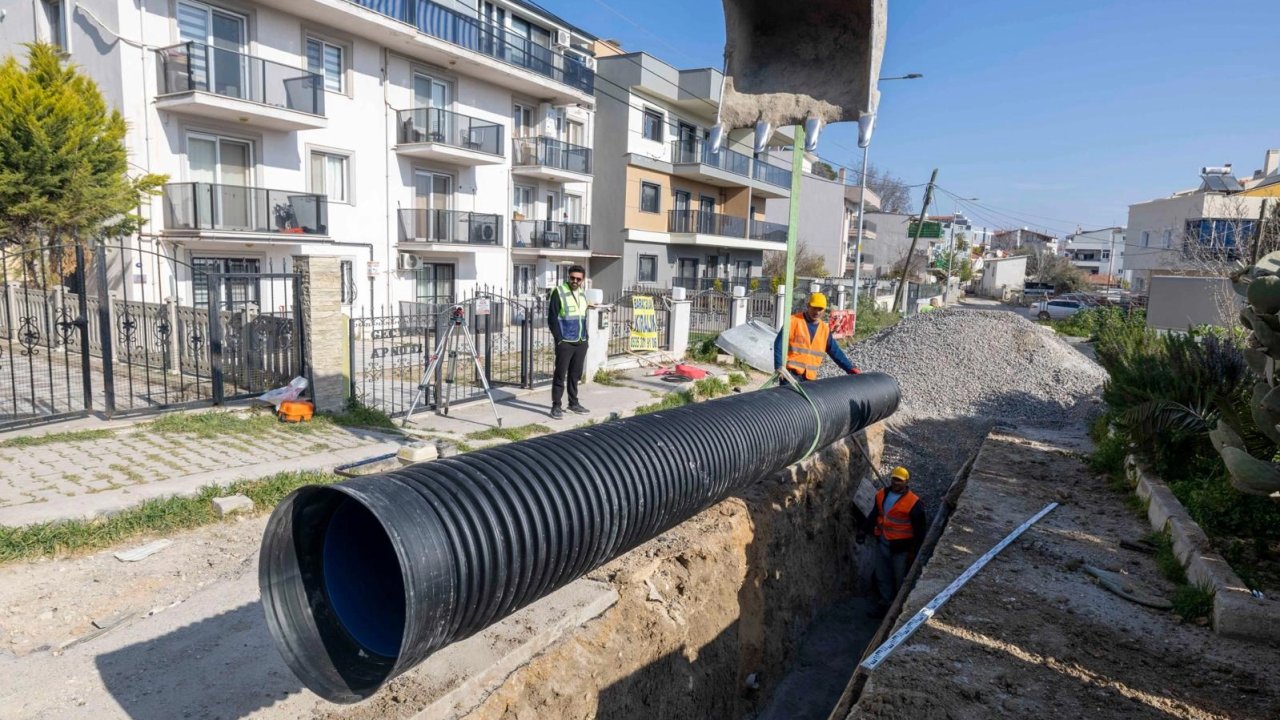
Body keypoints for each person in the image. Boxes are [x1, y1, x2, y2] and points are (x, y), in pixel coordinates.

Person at [858, 466, 928, 617]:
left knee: (900, 578)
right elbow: (874, 514)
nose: (896, 482)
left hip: (901, 548)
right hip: (883, 542)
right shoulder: (882, 494)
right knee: (882, 576)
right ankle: (885, 604)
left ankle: (899, 610)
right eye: (894, 479)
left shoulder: (914, 503)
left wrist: (916, 550)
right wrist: (863, 531)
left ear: (906, 482)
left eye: (899, 480)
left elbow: (920, 529)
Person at [773, 292, 860, 380]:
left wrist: (850, 368)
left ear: (824, 310)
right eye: (814, 308)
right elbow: (779, 344)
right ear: (808, 306)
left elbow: (835, 352)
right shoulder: (793, 322)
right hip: (790, 375)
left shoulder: (824, 330)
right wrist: (779, 366)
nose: (817, 312)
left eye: (820, 309)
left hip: (809, 378)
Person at [547, 265, 590, 419]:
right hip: (565, 341)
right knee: (560, 374)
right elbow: (552, 318)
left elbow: (582, 317)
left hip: (580, 340)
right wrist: (559, 340)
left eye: (578, 279)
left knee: (575, 374)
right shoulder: (559, 292)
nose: (575, 281)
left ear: (582, 280)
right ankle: (556, 406)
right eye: (572, 278)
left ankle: (573, 403)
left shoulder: (583, 294)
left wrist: (587, 338)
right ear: (568, 277)